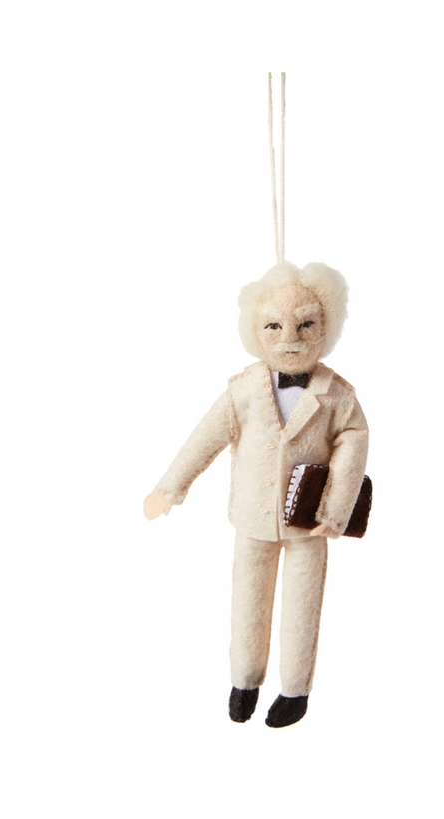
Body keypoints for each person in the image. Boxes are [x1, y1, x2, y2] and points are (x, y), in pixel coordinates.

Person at [143, 261, 369, 727]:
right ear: (255, 329)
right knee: (248, 602)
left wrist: (336, 508)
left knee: (302, 607)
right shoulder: (244, 390)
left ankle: (295, 690)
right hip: (252, 516)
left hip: (310, 523)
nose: (290, 338)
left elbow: (354, 443)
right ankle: (244, 681)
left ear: (325, 325)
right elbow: (204, 439)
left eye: (306, 324)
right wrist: (170, 488)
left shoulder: (337, 394)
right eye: (274, 325)